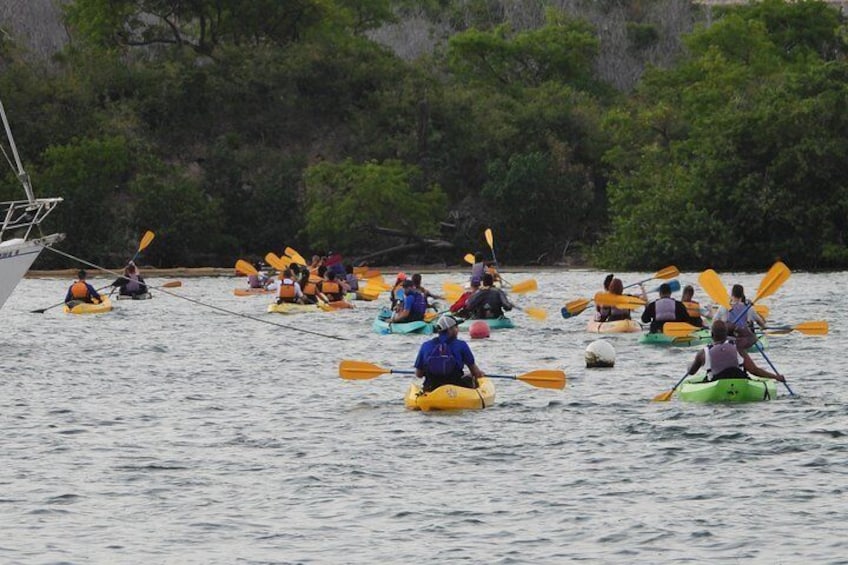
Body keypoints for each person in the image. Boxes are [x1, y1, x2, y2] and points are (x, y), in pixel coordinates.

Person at [687, 320, 785, 383]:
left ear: (712, 335)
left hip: (716, 383)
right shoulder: (738, 346)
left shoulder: (702, 353)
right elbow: (754, 370)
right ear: (726, 334)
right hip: (740, 381)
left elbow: (691, 372)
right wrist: (776, 377)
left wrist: (689, 366)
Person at [414, 315, 485, 392]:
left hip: (431, 388)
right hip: (455, 389)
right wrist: (480, 374)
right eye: (456, 327)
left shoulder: (426, 345)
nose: (458, 329)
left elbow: (419, 374)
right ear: (450, 330)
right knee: (471, 379)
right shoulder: (461, 345)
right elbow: (475, 373)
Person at [714, 284, 767, 351]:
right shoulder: (749, 308)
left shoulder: (723, 308)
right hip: (746, 342)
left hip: (728, 341)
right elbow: (761, 324)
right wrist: (762, 328)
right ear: (742, 295)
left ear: (732, 294)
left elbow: (714, 323)